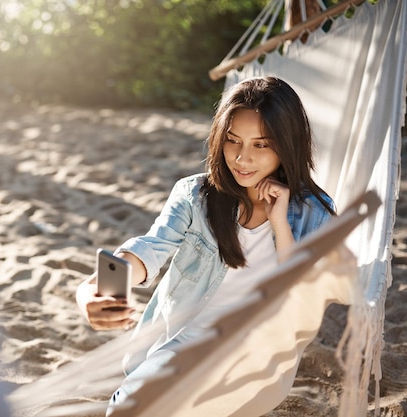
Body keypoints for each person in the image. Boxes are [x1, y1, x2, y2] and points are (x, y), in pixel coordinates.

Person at [75, 76, 336, 412]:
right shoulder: (195, 195)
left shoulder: (314, 211)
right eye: (232, 141)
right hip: (184, 343)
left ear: (287, 145)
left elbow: (302, 300)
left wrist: (280, 225)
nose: (242, 159)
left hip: (256, 358)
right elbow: (152, 247)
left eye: (261, 145)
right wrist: (91, 289)